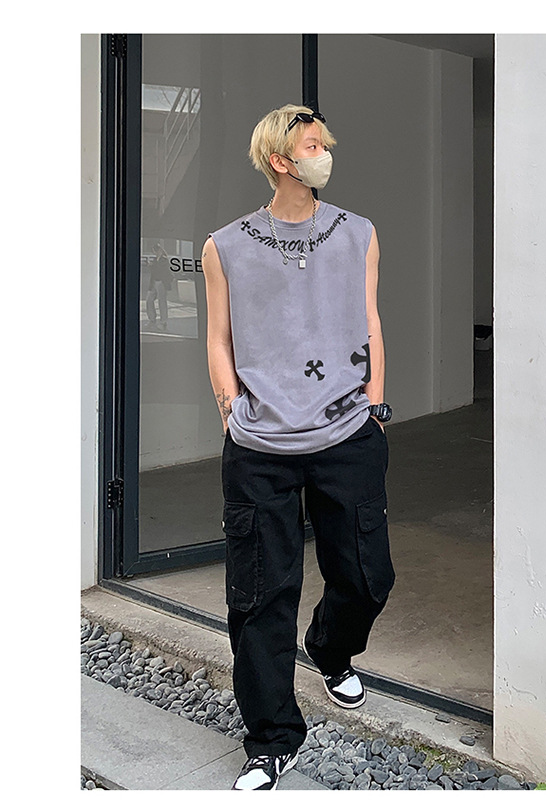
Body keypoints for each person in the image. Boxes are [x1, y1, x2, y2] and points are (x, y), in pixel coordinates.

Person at [202, 104, 395, 791]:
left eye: (324, 144)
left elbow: (370, 320)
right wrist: (231, 411)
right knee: (260, 595)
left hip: (347, 432)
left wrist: (375, 405)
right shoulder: (225, 245)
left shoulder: (358, 232)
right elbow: (218, 338)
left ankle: (331, 649)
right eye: (312, 145)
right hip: (260, 447)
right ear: (279, 160)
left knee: (368, 576)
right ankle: (271, 739)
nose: (324, 154)